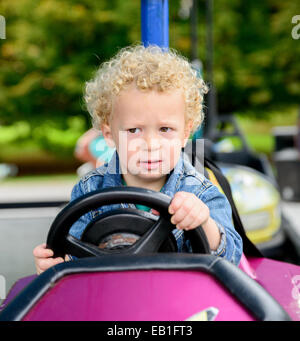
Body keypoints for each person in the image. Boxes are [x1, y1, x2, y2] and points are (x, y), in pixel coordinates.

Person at [33, 45, 242, 274]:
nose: (151, 145)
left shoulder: (199, 192)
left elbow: (231, 257)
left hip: (180, 301)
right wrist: (55, 266)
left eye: (165, 129)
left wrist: (204, 224)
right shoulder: (89, 189)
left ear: (185, 134)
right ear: (109, 135)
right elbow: (73, 258)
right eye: (134, 130)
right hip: (109, 298)